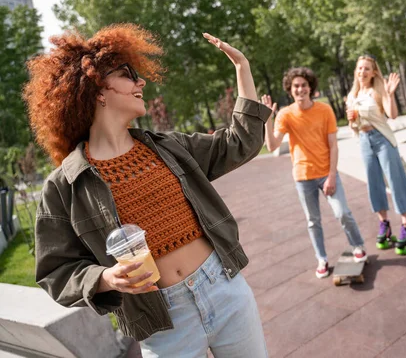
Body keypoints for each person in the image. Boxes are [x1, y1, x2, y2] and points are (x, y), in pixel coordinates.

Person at [24, 24, 270, 357]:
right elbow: (55, 270)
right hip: (162, 321)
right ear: (97, 89)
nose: (141, 82)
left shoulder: (169, 147)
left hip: (225, 290)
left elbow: (240, 142)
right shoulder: (64, 185)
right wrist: (107, 278)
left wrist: (243, 68)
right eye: (127, 74)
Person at [261, 67, 367, 278]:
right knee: (313, 221)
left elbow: (333, 146)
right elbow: (272, 145)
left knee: (342, 212)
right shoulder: (285, 114)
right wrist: (267, 119)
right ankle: (322, 258)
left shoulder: (325, 110)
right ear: (290, 90)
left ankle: (357, 245)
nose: (300, 89)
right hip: (302, 176)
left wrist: (331, 176)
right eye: (296, 86)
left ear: (310, 88)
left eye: (303, 85)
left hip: (325, 172)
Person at [346, 55, 406, 255]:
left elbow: (392, 115)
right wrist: (350, 120)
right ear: (356, 71)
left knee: (396, 181)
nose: (363, 72)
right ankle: (384, 224)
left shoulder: (377, 91)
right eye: (360, 68)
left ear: (374, 72)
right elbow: (353, 125)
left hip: (383, 140)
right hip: (364, 140)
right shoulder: (352, 95)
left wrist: (390, 95)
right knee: (374, 183)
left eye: (367, 68)